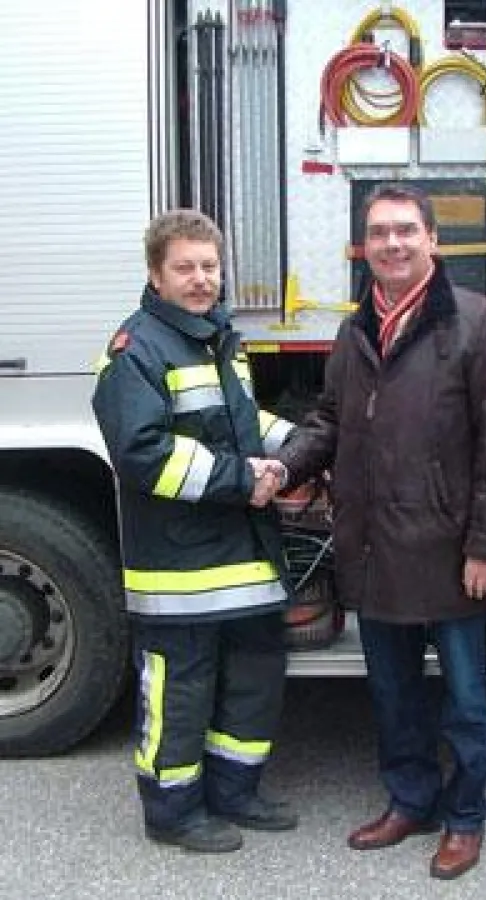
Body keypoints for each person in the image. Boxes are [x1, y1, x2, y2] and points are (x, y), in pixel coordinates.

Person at [273, 183, 486, 879]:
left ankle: (465, 818)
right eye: (379, 232)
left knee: (467, 700)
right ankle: (410, 800)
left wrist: (485, 546)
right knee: (391, 692)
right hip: (374, 549)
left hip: (450, 554)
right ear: (364, 246)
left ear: (432, 241)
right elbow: (329, 418)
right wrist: (285, 464)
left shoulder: (477, 323)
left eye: (406, 231)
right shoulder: (355, 332)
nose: (392, 243)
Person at [92, 209, 299, 853]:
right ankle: (173, 812)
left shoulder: (218, 338)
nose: (201, 278)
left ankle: (236, 792)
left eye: (209, 266)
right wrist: (244, 479)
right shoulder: (137, 349)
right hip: (177, 568)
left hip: (242, 555)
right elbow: (142, 453)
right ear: (156, 274)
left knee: (253, 676)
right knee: (180, 688)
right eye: (185, 267)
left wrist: (300, 448)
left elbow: (237, 424)